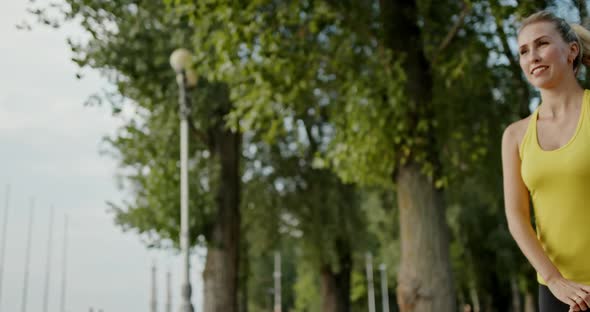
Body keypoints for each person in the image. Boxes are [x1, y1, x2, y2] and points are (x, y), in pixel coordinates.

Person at [502, 11, 590, 312]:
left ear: (571, 51)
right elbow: (516, 216)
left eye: (542, 44)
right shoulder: (515, 135)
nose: (533, 56)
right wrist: (553, 279)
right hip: (556, 291)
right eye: (524, 51)